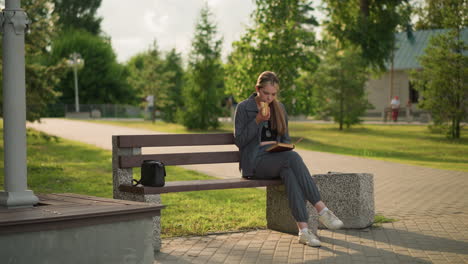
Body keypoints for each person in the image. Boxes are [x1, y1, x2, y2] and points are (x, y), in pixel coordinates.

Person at [233, 71, 343, 247]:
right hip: (255, 163)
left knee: (289, 172)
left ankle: (304, 231)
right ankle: (322, 209)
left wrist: (284, 147)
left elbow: (285, 139)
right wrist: (258, 120)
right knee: (292, 158)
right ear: (257, 89)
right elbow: (239, 141)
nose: (269, 98)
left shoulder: (280, 108)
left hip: (277, 160)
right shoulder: (244, 108)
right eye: (265, 93)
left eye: (273, 94)